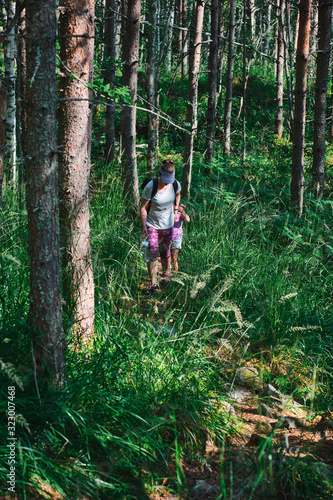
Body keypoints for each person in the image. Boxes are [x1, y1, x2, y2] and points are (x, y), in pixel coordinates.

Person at [140, 160, 181, 294]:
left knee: (165, 253)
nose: (167, 182)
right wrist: (143, 226)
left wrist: (175, 210)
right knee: (152, 252)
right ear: (160, 174)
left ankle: (165, 277)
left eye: (170, 180)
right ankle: (153, 283)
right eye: (165, 180)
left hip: (168, 225)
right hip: (152, 224)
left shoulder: (175, 184)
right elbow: (143, 207)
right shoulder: (151, 186)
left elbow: (178, 194)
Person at [171, 204, 190, 272]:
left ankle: (174, 276)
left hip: (176, 237)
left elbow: (187, 220)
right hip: (166, 236)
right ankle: (166, 274)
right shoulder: (167, 210)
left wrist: (182, 211)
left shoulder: (180, 212)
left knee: (174, 257)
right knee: (166, 257)